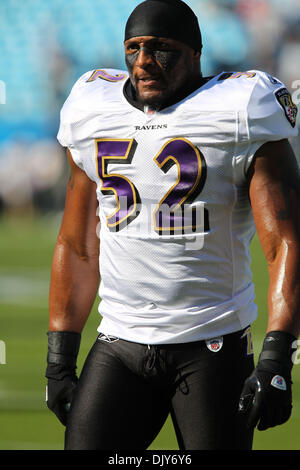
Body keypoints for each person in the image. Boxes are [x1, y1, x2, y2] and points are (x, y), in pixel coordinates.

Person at [45, 0, 300, 450]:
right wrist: (60, 357)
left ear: (195, 54)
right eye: (134, 48)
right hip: (119, 341)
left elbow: (283, 242)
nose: (143, 62)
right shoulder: (92, 107)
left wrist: (277, 357)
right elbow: (78, 244)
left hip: (211, 344)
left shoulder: (241, 106)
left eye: (161, 48)